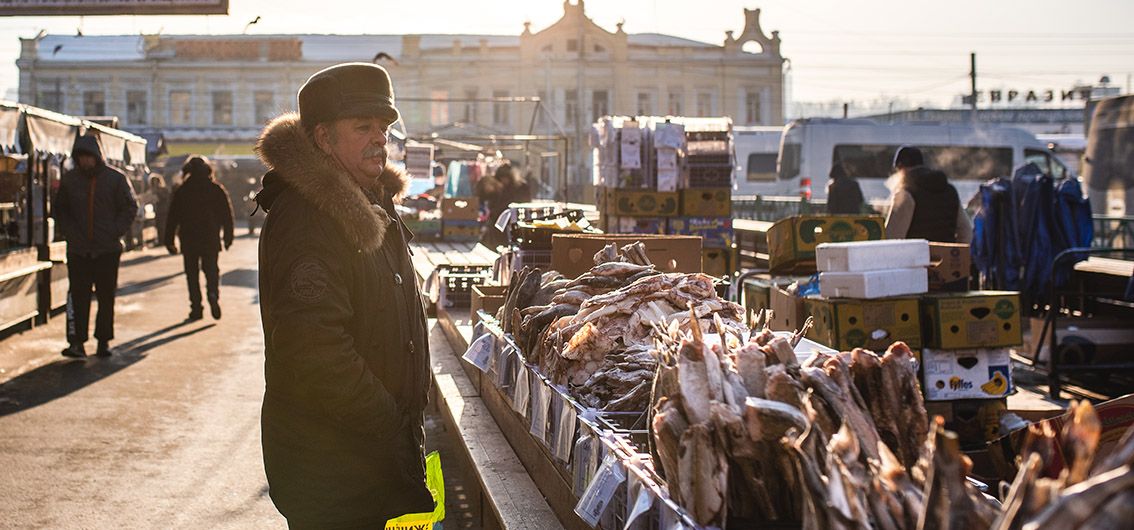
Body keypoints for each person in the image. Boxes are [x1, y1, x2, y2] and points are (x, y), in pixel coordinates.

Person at [253, 63, 433, 527]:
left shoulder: (370, 200)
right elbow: (314, 349)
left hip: (365, 461)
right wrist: (388, 423)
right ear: (322, 139)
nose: (379, 139)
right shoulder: (309, 218)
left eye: (383, 128)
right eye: (362, 127)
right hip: (334, 468)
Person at [52, 135, 139, 357]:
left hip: (107, 250)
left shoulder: (115, 179)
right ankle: (76, 342)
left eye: (88, 157)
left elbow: (130, 207)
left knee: (106, 296)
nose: (84, 161)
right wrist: (70, 231)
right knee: (77, 297)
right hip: (79, 250)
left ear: (97, 157)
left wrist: (114, 230)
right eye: (81, 157)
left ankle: (103, 341)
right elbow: (60, 209)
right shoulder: (70, 180)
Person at [164, 155, 236, 321]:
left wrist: (169, 240)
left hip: (189, 239)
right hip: (210, 237)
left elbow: (172, 217)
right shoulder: (216, 189)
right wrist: (228, 236)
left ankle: (196, 308)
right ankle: (212, 293)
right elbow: (227, 215)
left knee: (192, 274)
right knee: (211, 270)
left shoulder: (182, 191)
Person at [885, 146, 973, 243]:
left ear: (901, 169)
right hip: (944, 256)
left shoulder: (905, 194)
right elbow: (966, 232)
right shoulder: (950, 190)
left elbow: (892, 238)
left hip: (917, 256)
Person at [475, 162, 531, 246]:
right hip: (498, 221)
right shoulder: (498, 187)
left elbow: (520, 202)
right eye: (501, 178)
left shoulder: (521, 187)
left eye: (505, 178)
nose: (504, 181)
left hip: (515, 218)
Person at [149, 175, 171, 245]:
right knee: (159, 226)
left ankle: (164, 240)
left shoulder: (163, 189)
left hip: (164, 210)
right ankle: (161, 240)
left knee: (163, 226)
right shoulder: (153, 191)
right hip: (158, 211)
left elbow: (166, 198)